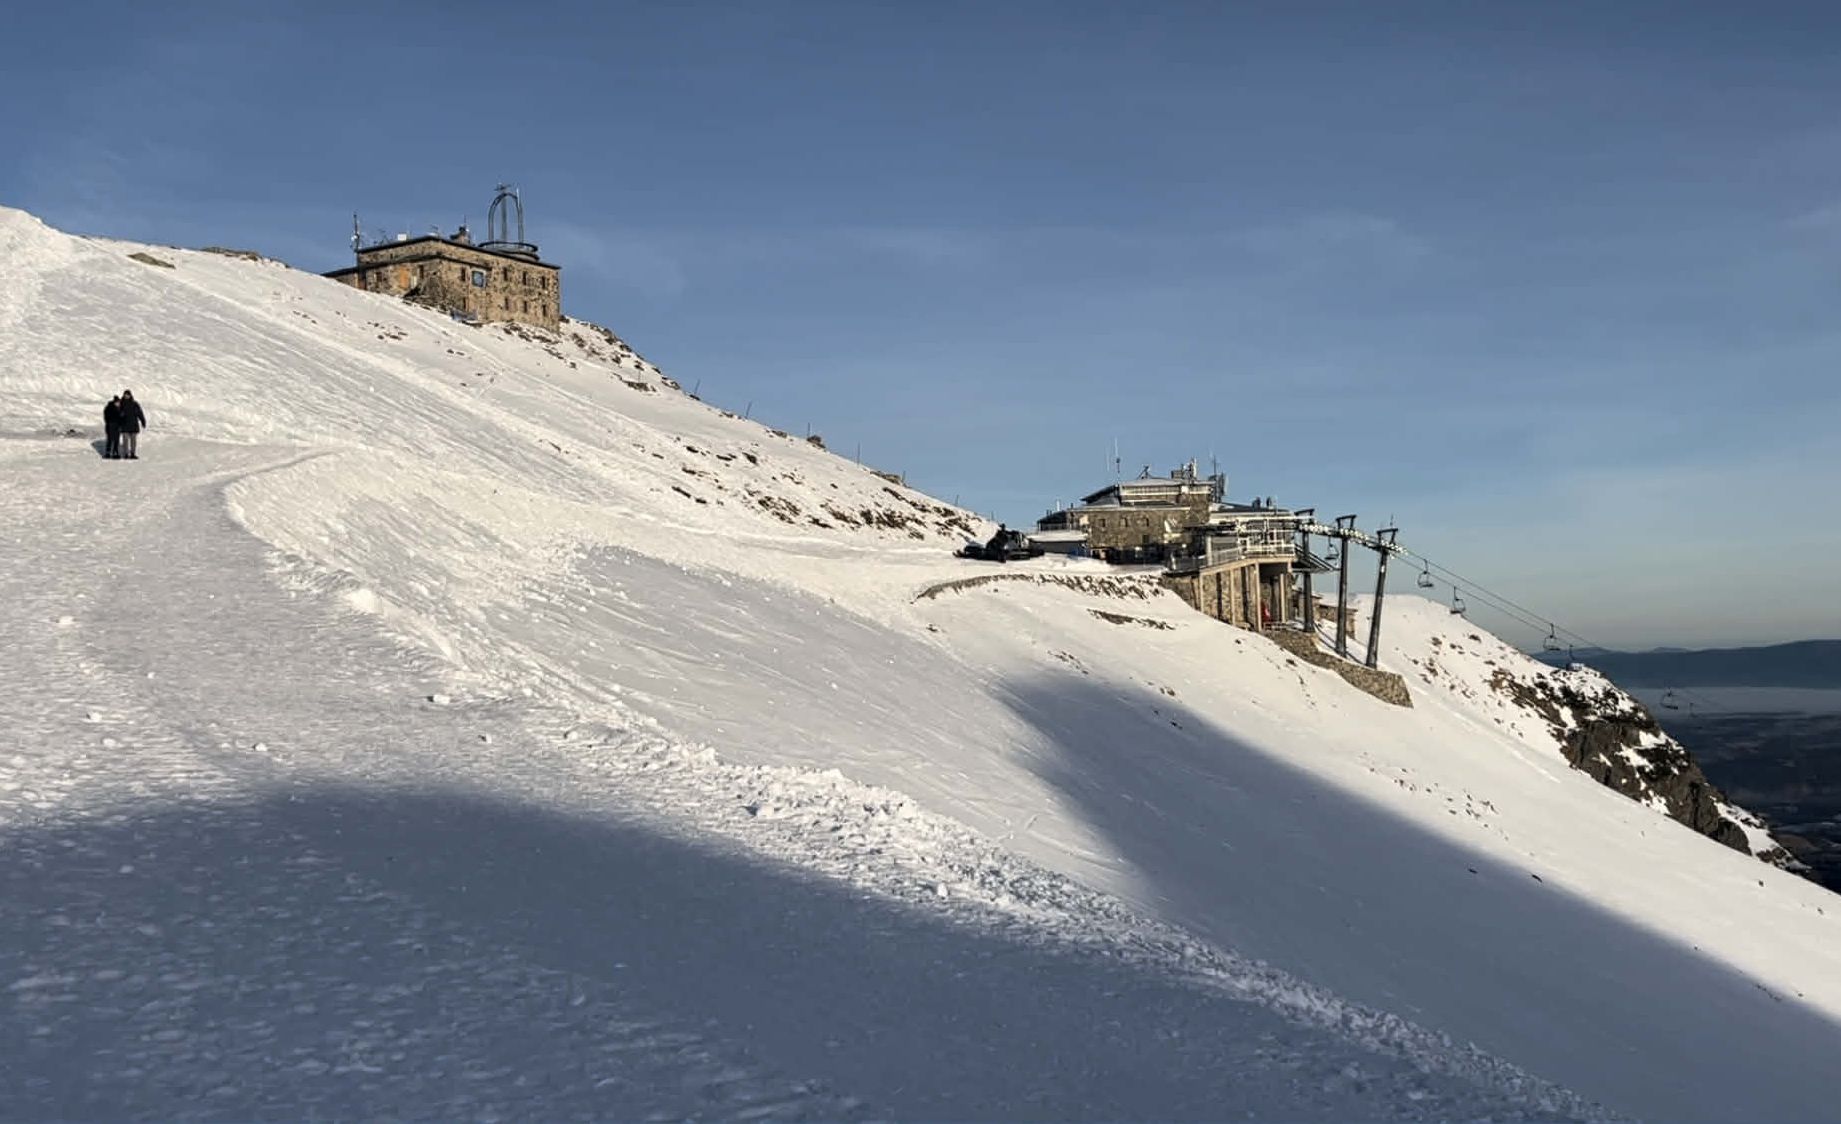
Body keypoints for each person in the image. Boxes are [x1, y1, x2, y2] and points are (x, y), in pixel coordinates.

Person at [117, 390, 146, 459]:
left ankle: (133, 454)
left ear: (130, 395)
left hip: (133, 425)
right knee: (125, 441)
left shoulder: (135, 404)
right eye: (125, 395)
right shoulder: (121, 404)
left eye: (128, 395)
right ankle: (126, 454)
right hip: (124, 425)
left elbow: (140, 413)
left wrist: (143, 421)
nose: (126, 396)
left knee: (133, 441)